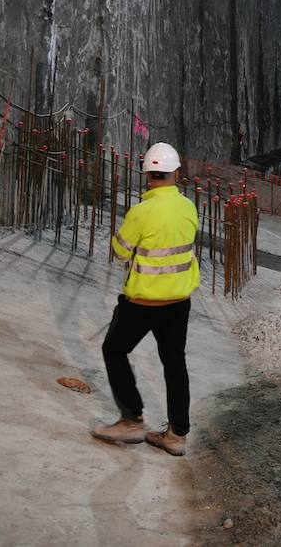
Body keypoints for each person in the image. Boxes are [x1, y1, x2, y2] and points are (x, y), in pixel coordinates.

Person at [92, 142, 200, 456]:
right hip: (178, 302)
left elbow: (120, 251)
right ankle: (177, 434)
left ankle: (131, 420)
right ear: (176, 173)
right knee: (175, 363)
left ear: (147, 177)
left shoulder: (141, 212)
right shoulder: (188, 207)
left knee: (114, 349)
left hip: (143, 303)